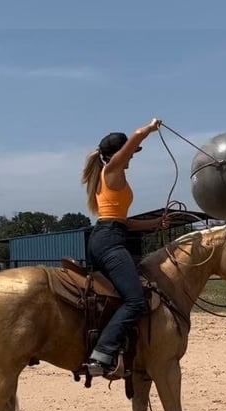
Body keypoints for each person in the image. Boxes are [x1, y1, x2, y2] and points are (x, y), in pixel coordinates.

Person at [80, 117, 168, 377]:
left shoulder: (105, 177)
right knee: (135, 300)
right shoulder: (112, 170)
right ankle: (103, 352)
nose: (132, 158)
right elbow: (138, 134)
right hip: (109, 241)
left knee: (116, 296)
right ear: (117, 154)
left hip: (105, 235)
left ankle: (118, 346)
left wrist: (155, 223)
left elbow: (123, 222)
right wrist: (150, 128)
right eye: (129, 153)